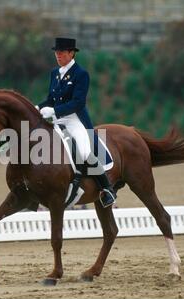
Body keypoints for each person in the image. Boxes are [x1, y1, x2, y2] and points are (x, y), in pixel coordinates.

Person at [36, 37, 116, 208]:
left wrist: (55, 110)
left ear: (71, 53)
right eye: (56, 53)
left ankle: (106, 189)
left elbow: (78, 102)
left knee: (85, 151)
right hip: (57, 119)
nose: (58, 55)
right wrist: (37, 107)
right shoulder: (54, 73)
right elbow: (51, 99)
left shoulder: (81, 74)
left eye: (62, 52)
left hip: (75, 119)